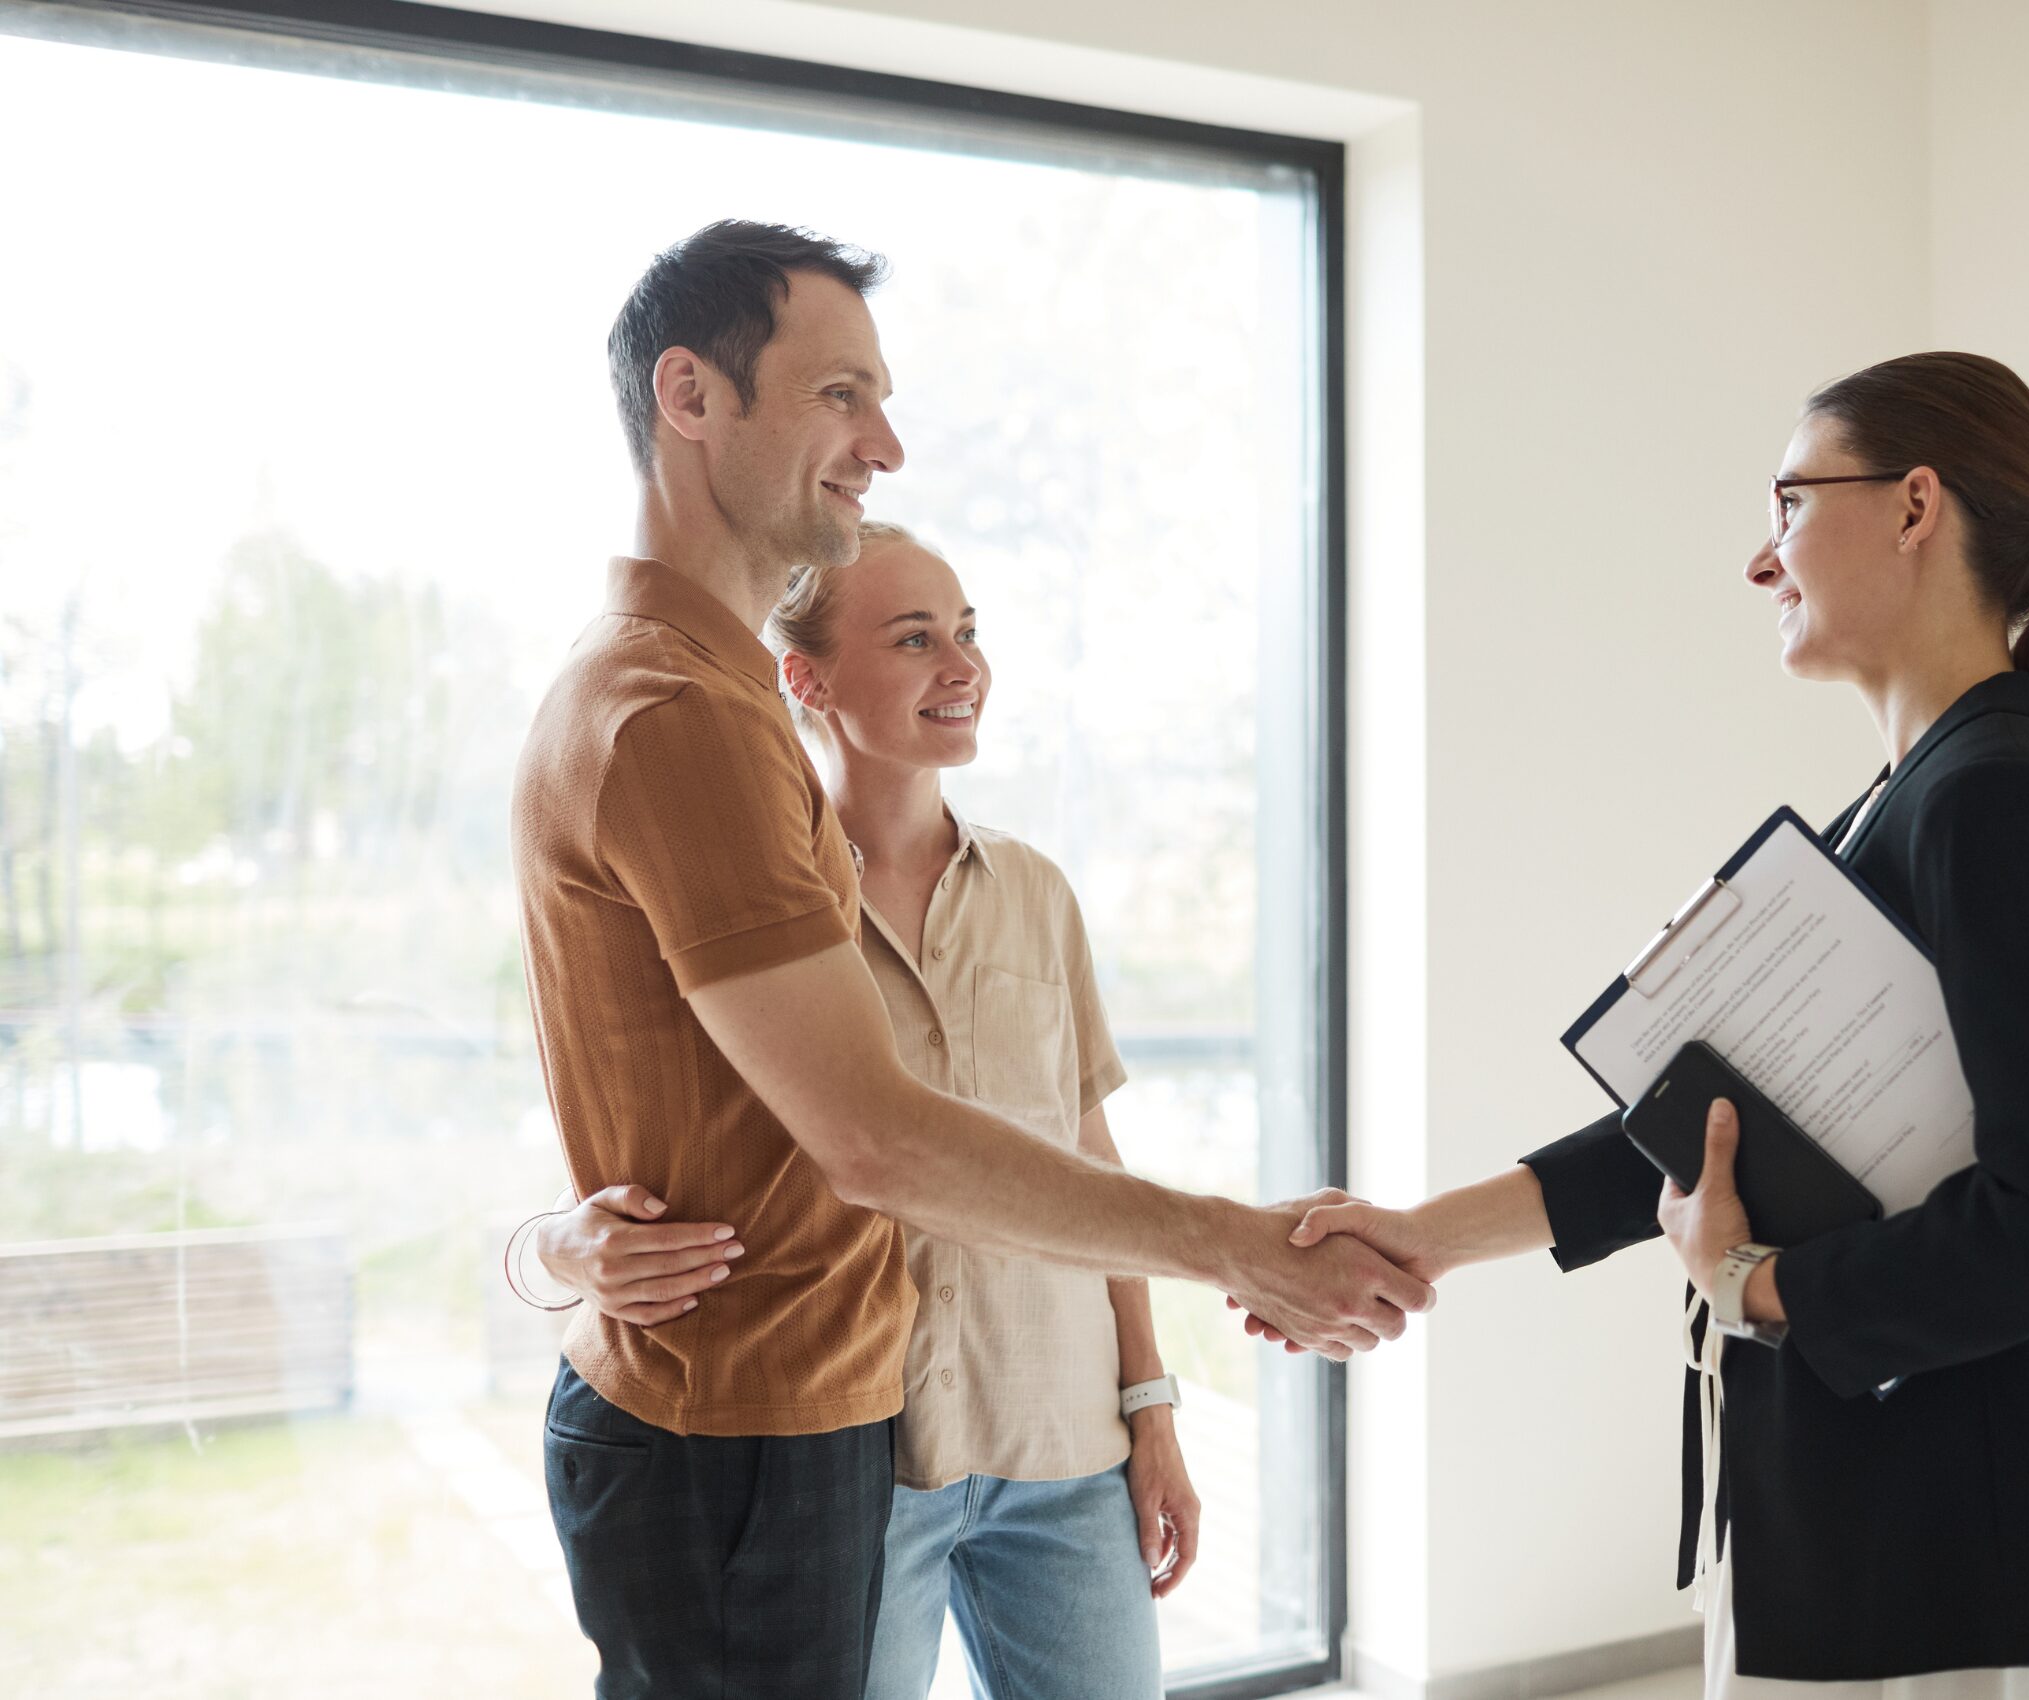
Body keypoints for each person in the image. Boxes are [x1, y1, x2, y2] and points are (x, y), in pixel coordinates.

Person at [511, 219, 1428, 1700]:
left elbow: (693, 1103)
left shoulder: (702, 699)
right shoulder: (674, 711)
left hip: (806, 1423)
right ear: (690, 396)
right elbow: (870, 1136)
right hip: (741, 1439)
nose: (883, 444)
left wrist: (1145, 1394)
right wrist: (1234, 1245)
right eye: (838, 396)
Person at [1255, 353, 2029, 1698]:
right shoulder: (1913, 796)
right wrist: (1420, 1237)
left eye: (1789, 501)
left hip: (1938, 1549)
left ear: (1915, 505)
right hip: (1859, 1510)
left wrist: (1758, 1282)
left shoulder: (1997, 798)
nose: (1762, 559)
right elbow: (1717, 1123)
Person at [527, 521, 1198, 1700]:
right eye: (915, 637)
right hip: (861, 1471)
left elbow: (1091, 1150)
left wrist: (1152, 1410)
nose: (963, 664)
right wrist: (552, 1247)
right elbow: (645, 1137)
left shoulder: (1036, 892)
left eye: (969, 632)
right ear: (808, 679)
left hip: (1063, 1445)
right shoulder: (758, 897)